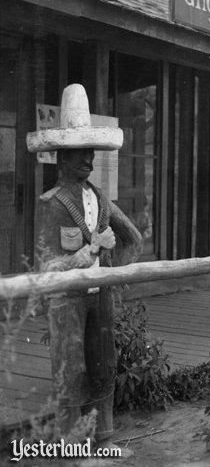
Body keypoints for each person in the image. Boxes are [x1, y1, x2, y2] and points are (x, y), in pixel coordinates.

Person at [27, 83, 142, 441]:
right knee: (70, 367)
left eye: (90, 152)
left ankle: (103, 432)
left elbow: (133, 239)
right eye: (79, 154)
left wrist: (114, 276)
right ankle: (69, 440)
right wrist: (89, 252)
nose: (88, 161)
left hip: (100, 296)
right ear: (61, 158)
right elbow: (47, 268)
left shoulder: (101, 198)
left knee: (103, 364)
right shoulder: (52, 203)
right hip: (67, 300)